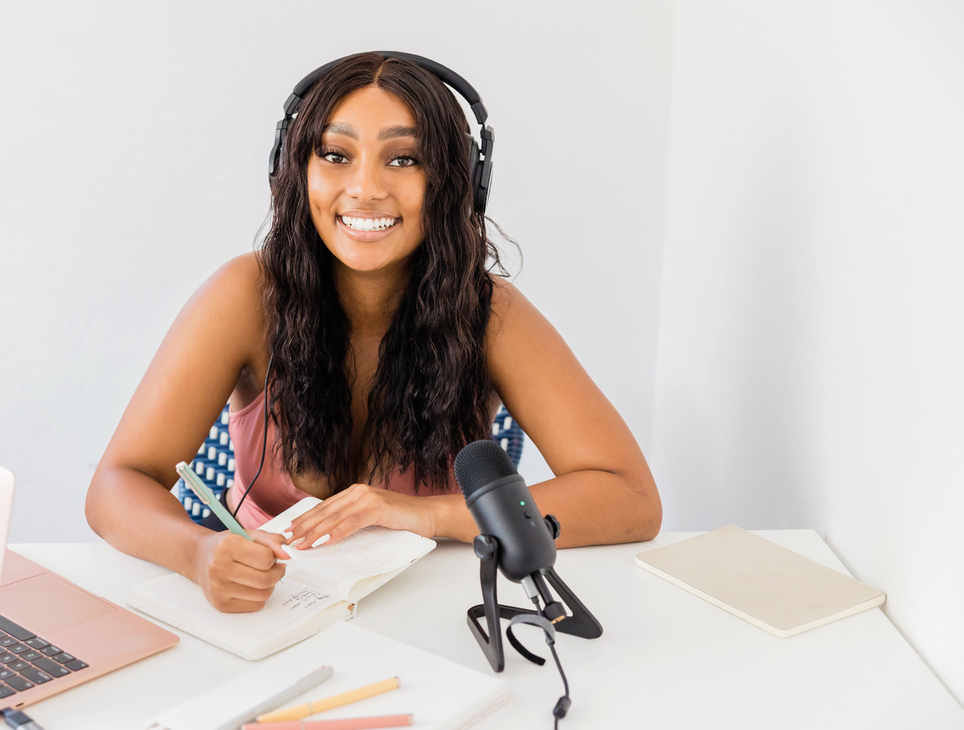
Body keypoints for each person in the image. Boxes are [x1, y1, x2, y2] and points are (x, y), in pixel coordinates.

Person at [85, 51, 661, 614]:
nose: (364, 188)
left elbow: (631, 499)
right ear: (294, 173)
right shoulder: (247, 295)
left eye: (404, 159)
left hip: (430, 611)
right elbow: (116, 485)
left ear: (456, 181)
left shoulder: (489, 311)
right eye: (336, 154)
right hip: (273, 612)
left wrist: (426, 513)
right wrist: (199, 550)